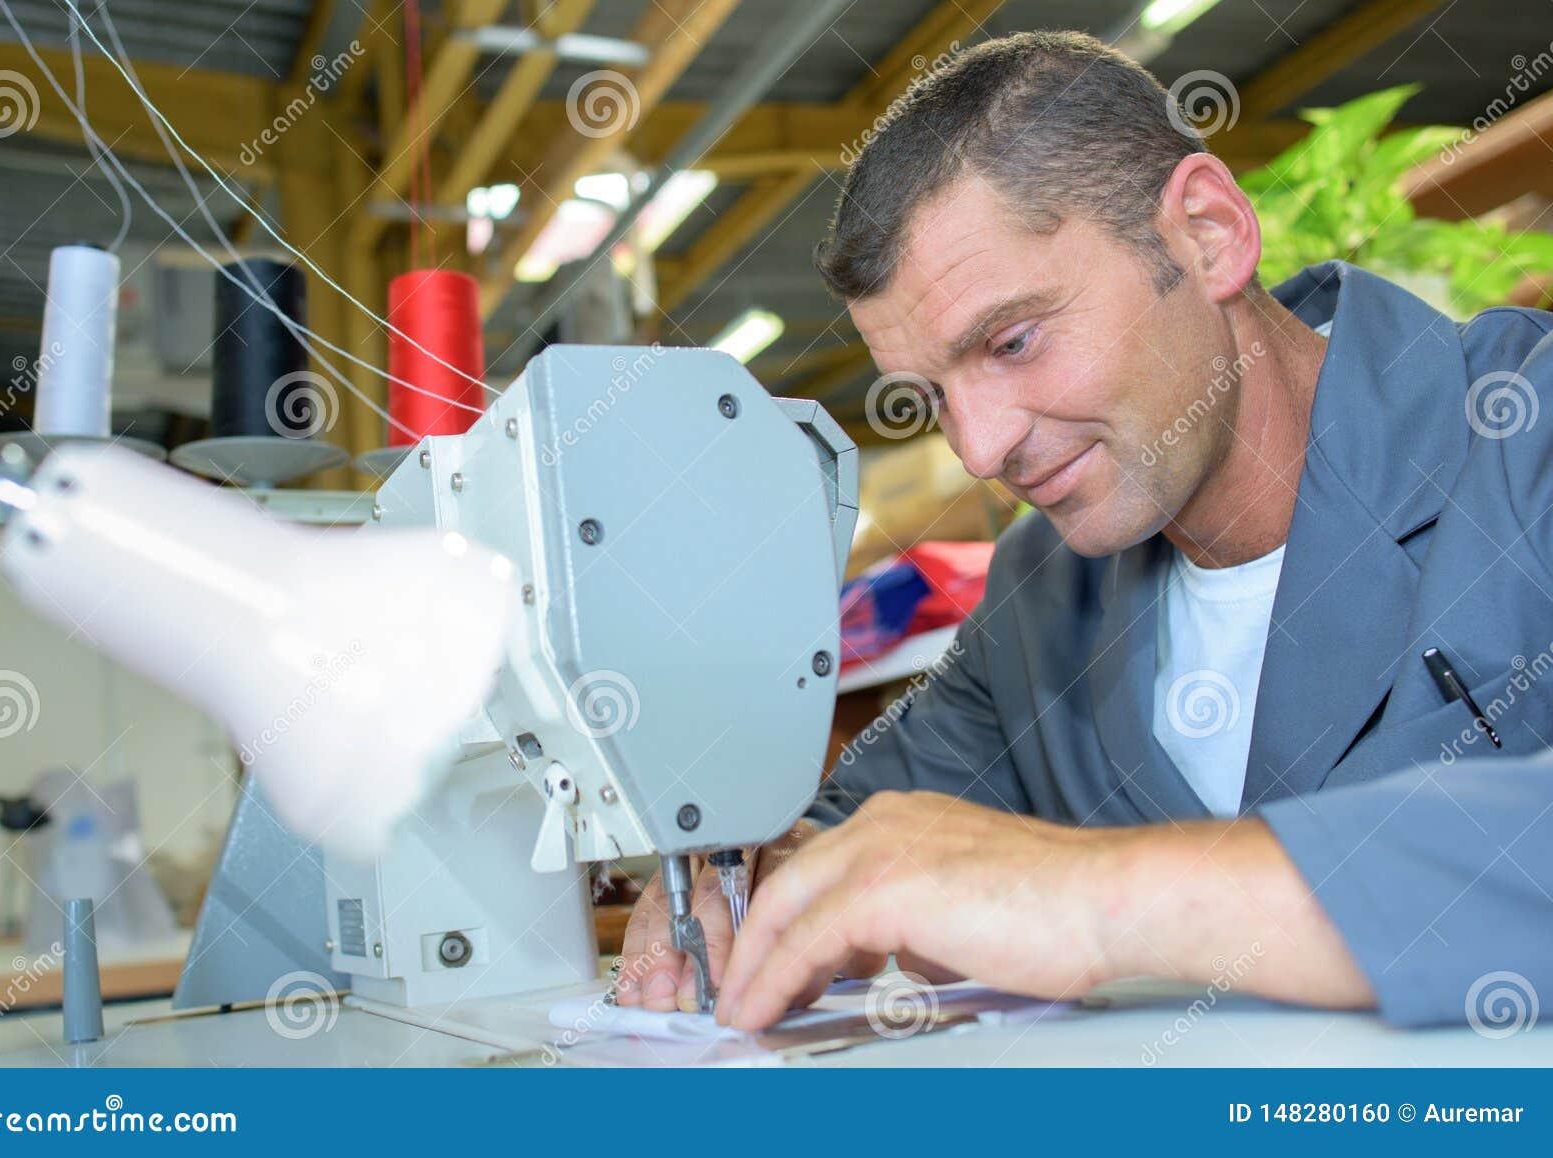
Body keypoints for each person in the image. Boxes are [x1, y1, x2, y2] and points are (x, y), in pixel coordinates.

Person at [619, 30, 1553, 1033]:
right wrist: (753, 881)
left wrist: (1099, 895)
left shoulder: (1522, 435)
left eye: (1012, 341)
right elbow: (866, 835)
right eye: (932, 396)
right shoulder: (1038, 599)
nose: (980, 448)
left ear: (1207, 235)